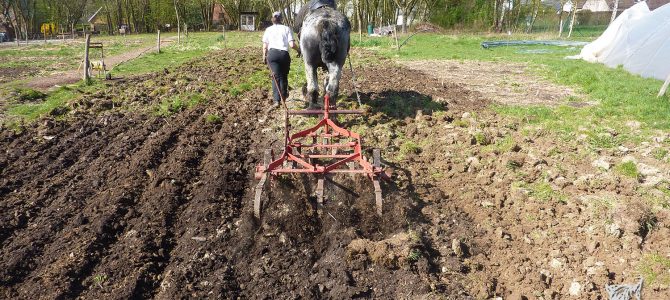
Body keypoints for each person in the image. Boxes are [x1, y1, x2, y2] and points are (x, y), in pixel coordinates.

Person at [262, 11, 300, 110]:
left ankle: (276, 101)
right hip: (284, 55)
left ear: (272, 19)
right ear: (281, 19)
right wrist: (299, 50)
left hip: (272, 55)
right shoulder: (287, 29)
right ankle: (283, 98)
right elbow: (292, 45)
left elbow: (265, 46)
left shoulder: (268, 30)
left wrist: (264, 56)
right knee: (283, 76)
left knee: (275, 77)